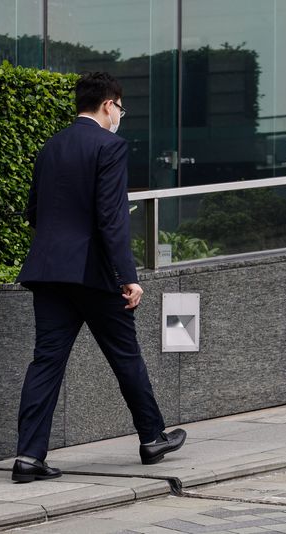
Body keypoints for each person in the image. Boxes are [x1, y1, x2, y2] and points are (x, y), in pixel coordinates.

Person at [12, 72, 186, 483]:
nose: (119, 116)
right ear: (109, 105)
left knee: (45, 363)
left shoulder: (50, 146)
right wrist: (128, 275)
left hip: (49, 272)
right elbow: (111, 219)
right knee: (125, 356)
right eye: (120, 109)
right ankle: (152, 438)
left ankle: (28, 458)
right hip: (93, 274)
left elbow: (34, 212)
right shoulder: (109, 146)